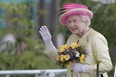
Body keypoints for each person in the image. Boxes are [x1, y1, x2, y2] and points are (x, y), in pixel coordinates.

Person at [39, 3, 112, 77]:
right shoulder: (72, 38)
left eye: (74, 21)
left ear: (85, 21)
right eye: (69, 22)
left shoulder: (96, 38)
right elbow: (62, 59)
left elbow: (107, 65)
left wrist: (85, 68)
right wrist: (48, 43)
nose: (71, 25)